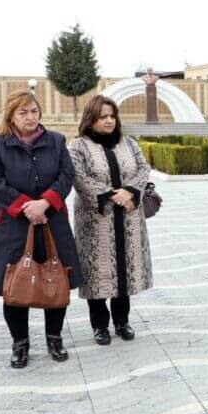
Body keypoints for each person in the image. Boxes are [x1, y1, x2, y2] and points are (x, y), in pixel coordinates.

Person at [0, 89, 83, 368]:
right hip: (12, 226)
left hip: (52, 222)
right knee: (15, 282)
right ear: (11, 115)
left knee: (55, 277)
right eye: (23, 112)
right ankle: (20, 342)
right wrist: (27, 206)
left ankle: (54, 338)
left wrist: (45, 203)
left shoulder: (56, 141)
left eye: (34, 111)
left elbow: (66, 175)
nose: (30, 117)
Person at [69, 95, 152, 344]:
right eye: (103, 116)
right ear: (91, 119)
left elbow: (143, 168)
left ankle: (122, 322)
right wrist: (113, 196)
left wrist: (130, 192)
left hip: (128, 217)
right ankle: (99, 325)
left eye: (112, 116)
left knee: (125, 271)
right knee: (97, 273)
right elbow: (79, 177)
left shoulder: (128, 143)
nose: (109, 121)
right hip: (96, 221)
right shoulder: (78, 146)